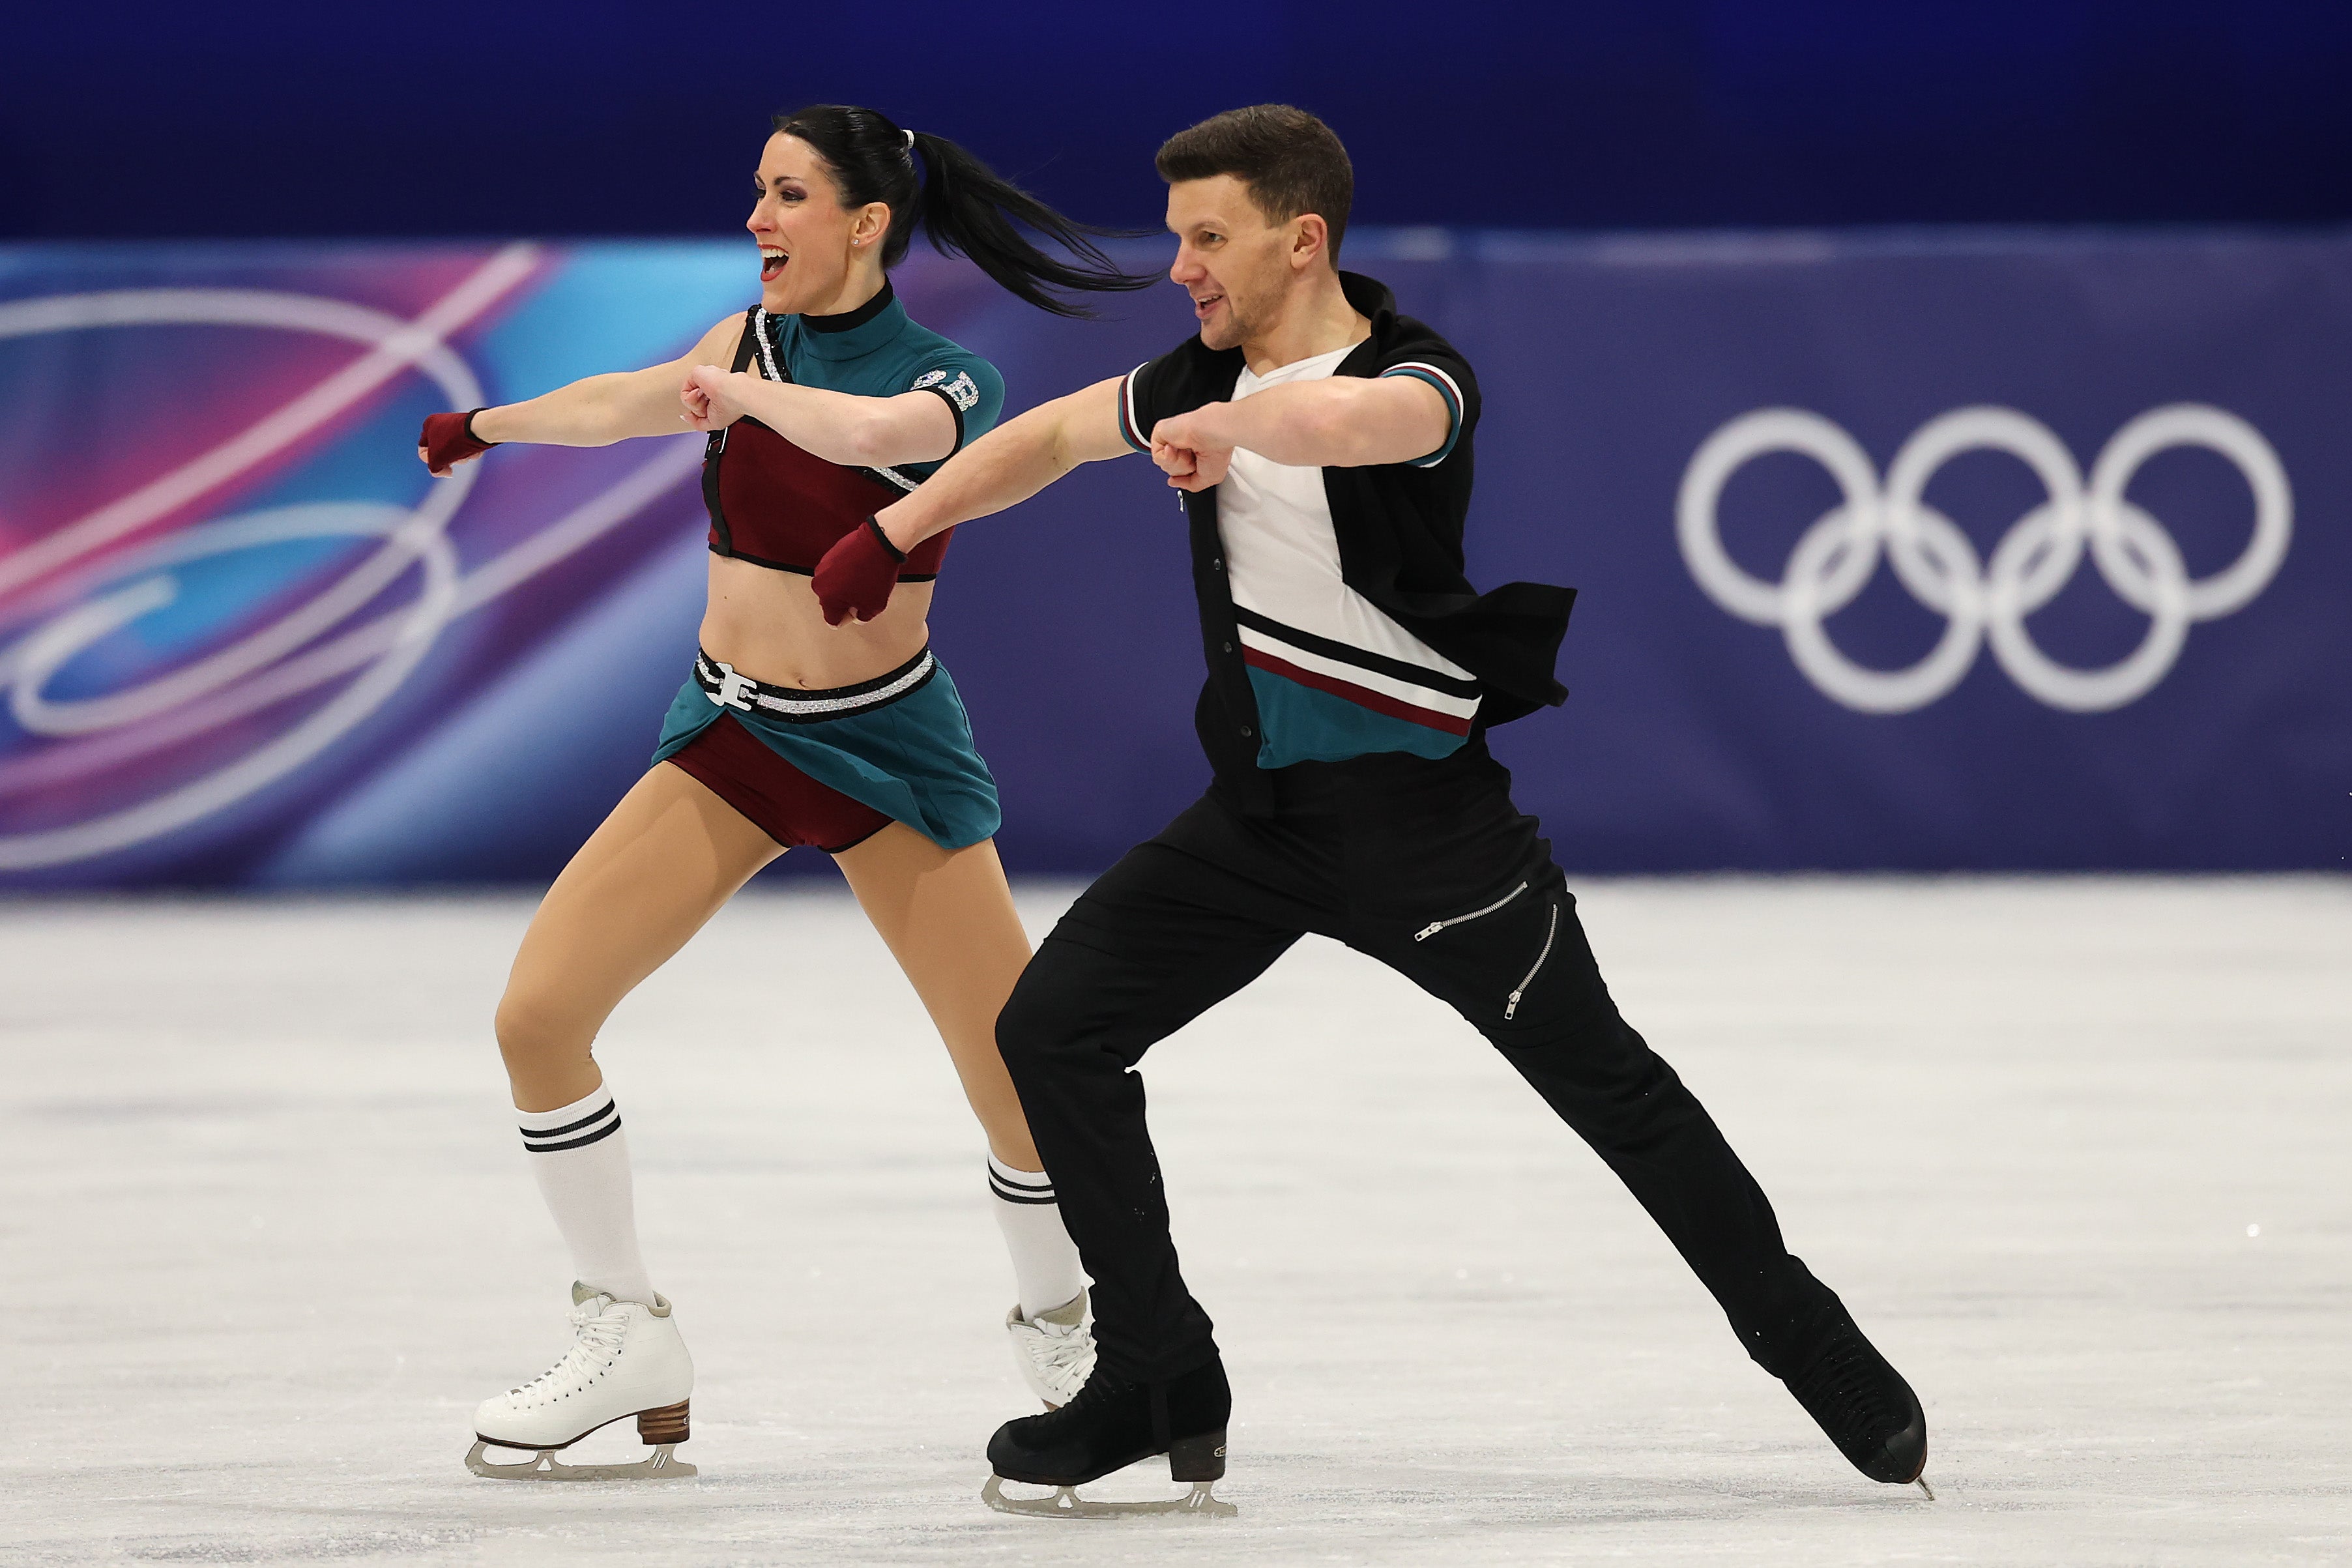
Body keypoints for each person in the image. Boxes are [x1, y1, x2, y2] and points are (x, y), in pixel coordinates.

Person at [813, 104, 1932, 1517]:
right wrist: (895, 528)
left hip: (1431, 840)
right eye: (1174, 240)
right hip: (1258, 825)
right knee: (1051, 1028)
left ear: (1302, 239)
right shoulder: (1194, 376)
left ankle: (1806, 1342)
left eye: (1205, 239)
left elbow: (1346, 419)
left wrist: (1227, 423)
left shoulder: (1419, 376)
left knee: (1616, 1097)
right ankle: (1159, 1374)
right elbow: (1040, 439)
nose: (1180, 270)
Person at [414, 104, 1153, 1481]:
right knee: (538, 1016)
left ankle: (1068, 1326)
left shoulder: (950, 382)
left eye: (788, 194)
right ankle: (626, 1333)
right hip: (732, 738)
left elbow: (873, 429)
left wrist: (744, 395)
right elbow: (634, 400)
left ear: (866, 224)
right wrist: (488, 425)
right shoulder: (737, 342)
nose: (758, 217)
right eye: (757, 191)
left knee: (1015, 1072)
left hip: (887, 752)